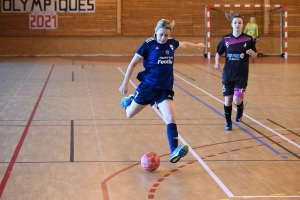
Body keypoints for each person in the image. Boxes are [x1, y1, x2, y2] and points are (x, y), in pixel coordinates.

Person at [119, 19, 205, 163]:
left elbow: (183, 44)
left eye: (166, 35)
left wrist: (197, 45)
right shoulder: (148, 45)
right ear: (155, 31)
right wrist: (125, 83)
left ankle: (174, 151)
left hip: (164, 90)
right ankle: (129, 101)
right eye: (161, 35)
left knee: (170, 118)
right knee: (129, 114)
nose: (163, 38)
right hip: (148, 87)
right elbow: (133, 63)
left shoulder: (171, 43)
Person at [214, 14, 257, 131]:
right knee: (228, 100)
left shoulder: (249, 39)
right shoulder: (225, 39)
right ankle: (228, 122)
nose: (237, 24)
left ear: (243, 25)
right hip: (228, 74)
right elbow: (218, 53)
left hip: (241, 74)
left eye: (239, 22)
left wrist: (252, 54)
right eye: (235, 22)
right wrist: (217, 62)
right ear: (231, 24)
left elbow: (254, 56)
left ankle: (240, 107)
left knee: (236, 100)